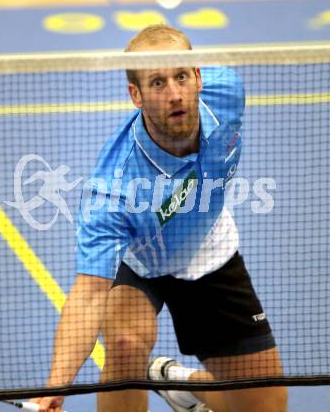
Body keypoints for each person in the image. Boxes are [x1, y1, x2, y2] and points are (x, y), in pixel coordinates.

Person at [31, 24, 287, 412]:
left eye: (181, 76)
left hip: (208, 249)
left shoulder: (227, 94)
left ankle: (179, 382)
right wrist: (56, 386)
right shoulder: (112, 192)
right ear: (135, 94)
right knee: (124, 344)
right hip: (142, 261)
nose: (174, 94)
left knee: (265, 407)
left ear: (198, 76)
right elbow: (88, 296)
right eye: (157, 83)